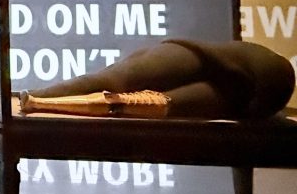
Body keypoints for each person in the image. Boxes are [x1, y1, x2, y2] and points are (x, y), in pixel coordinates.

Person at [21, 39, 295, 119]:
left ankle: (37, 97)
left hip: (261, 91)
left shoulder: (263, 76)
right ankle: (38, 97)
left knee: (124, 85)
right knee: (125, 85)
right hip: (262, 91)